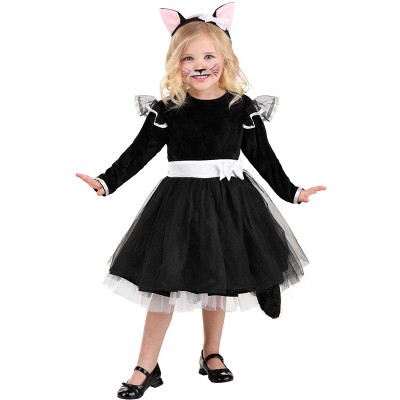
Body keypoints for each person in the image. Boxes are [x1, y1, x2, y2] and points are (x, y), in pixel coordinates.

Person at [76, 2, 326, 398]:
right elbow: (139, 152)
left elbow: (263, 157)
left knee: (218, 278)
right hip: (178, 205)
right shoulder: (169, 109)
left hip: (229, 204)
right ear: (176, 64)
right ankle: (145, 365)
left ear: (225, 59)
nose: (199, 65)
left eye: (209, 56)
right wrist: (106, 181)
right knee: (163, 285)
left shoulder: (241, 108)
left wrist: (292, 191)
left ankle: (212, 353)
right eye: (189, 58)